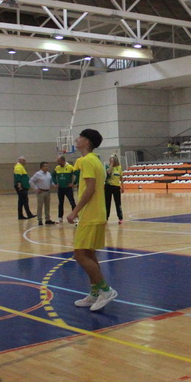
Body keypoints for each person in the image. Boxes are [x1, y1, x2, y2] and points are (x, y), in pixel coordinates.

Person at [68, 129, 117, 311]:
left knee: (80, 255)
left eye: (80, 137)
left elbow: (90, 189)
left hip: (90, 214)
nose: (77, 139)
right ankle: (95, 293)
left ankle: (106, 290)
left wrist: (75, 211)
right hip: (97, 213)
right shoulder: (95, 160)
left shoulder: (88, 160)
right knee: (89, 254)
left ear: (86, 141)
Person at [29, 162, 56, 226]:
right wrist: (36, 189)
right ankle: (40, 220)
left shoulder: (48, 174)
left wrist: (54, 185)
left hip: (48, 192)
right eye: (45, 166)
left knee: (47, 206)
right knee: (40, 206)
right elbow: (31, 181)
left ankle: (47, 219)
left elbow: (50, 181)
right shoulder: (38, 174)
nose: (47, 167)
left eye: (47, 166)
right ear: (42, 167)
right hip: (41, 192)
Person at [105, 154, 124, 223]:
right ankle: (106, 218)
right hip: (108, 186)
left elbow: (121, 177)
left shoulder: (119, 167)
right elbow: (108, 172)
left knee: (118, 203)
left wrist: (122, 187)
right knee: (107, 203)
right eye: (110, 159)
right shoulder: (107, 166)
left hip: (116, 187)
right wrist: (111, 165)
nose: (110, 160)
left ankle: (120, 218)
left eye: (112, 159)